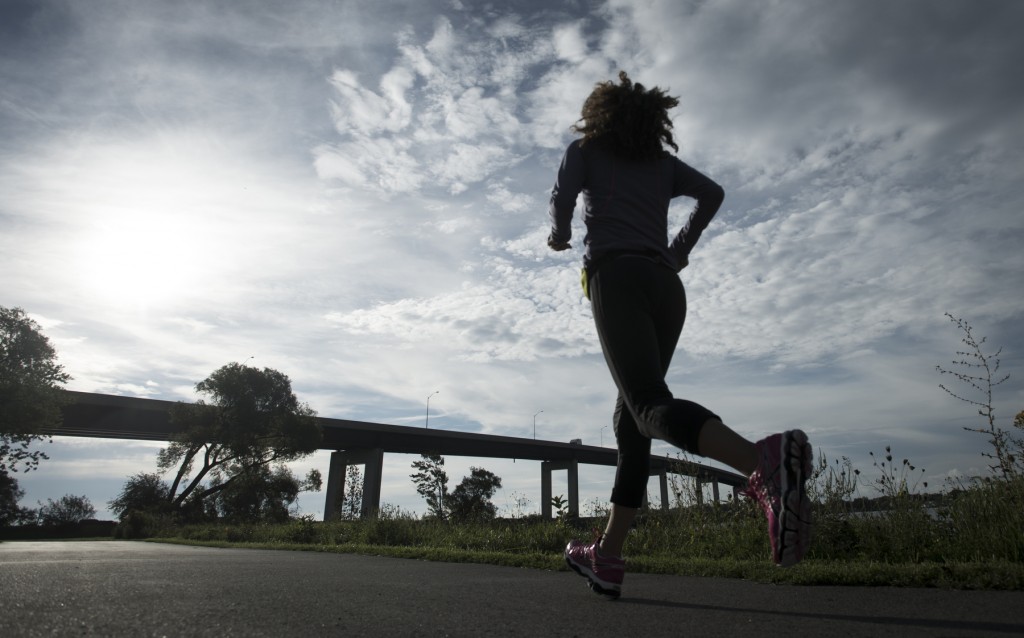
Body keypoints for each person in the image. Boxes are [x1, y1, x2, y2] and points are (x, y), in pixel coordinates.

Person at [548, 72, 812, 599]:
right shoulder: (662, 164)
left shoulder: (586, 149)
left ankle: (761, 463)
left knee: (646, 405)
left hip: (616, 277)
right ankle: (609, 556)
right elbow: (712, 193)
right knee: (631, 420)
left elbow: (562, 196)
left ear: (600, 114)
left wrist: (560, 234)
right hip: (666, 286)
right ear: (651, 120)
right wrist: (681, 248)